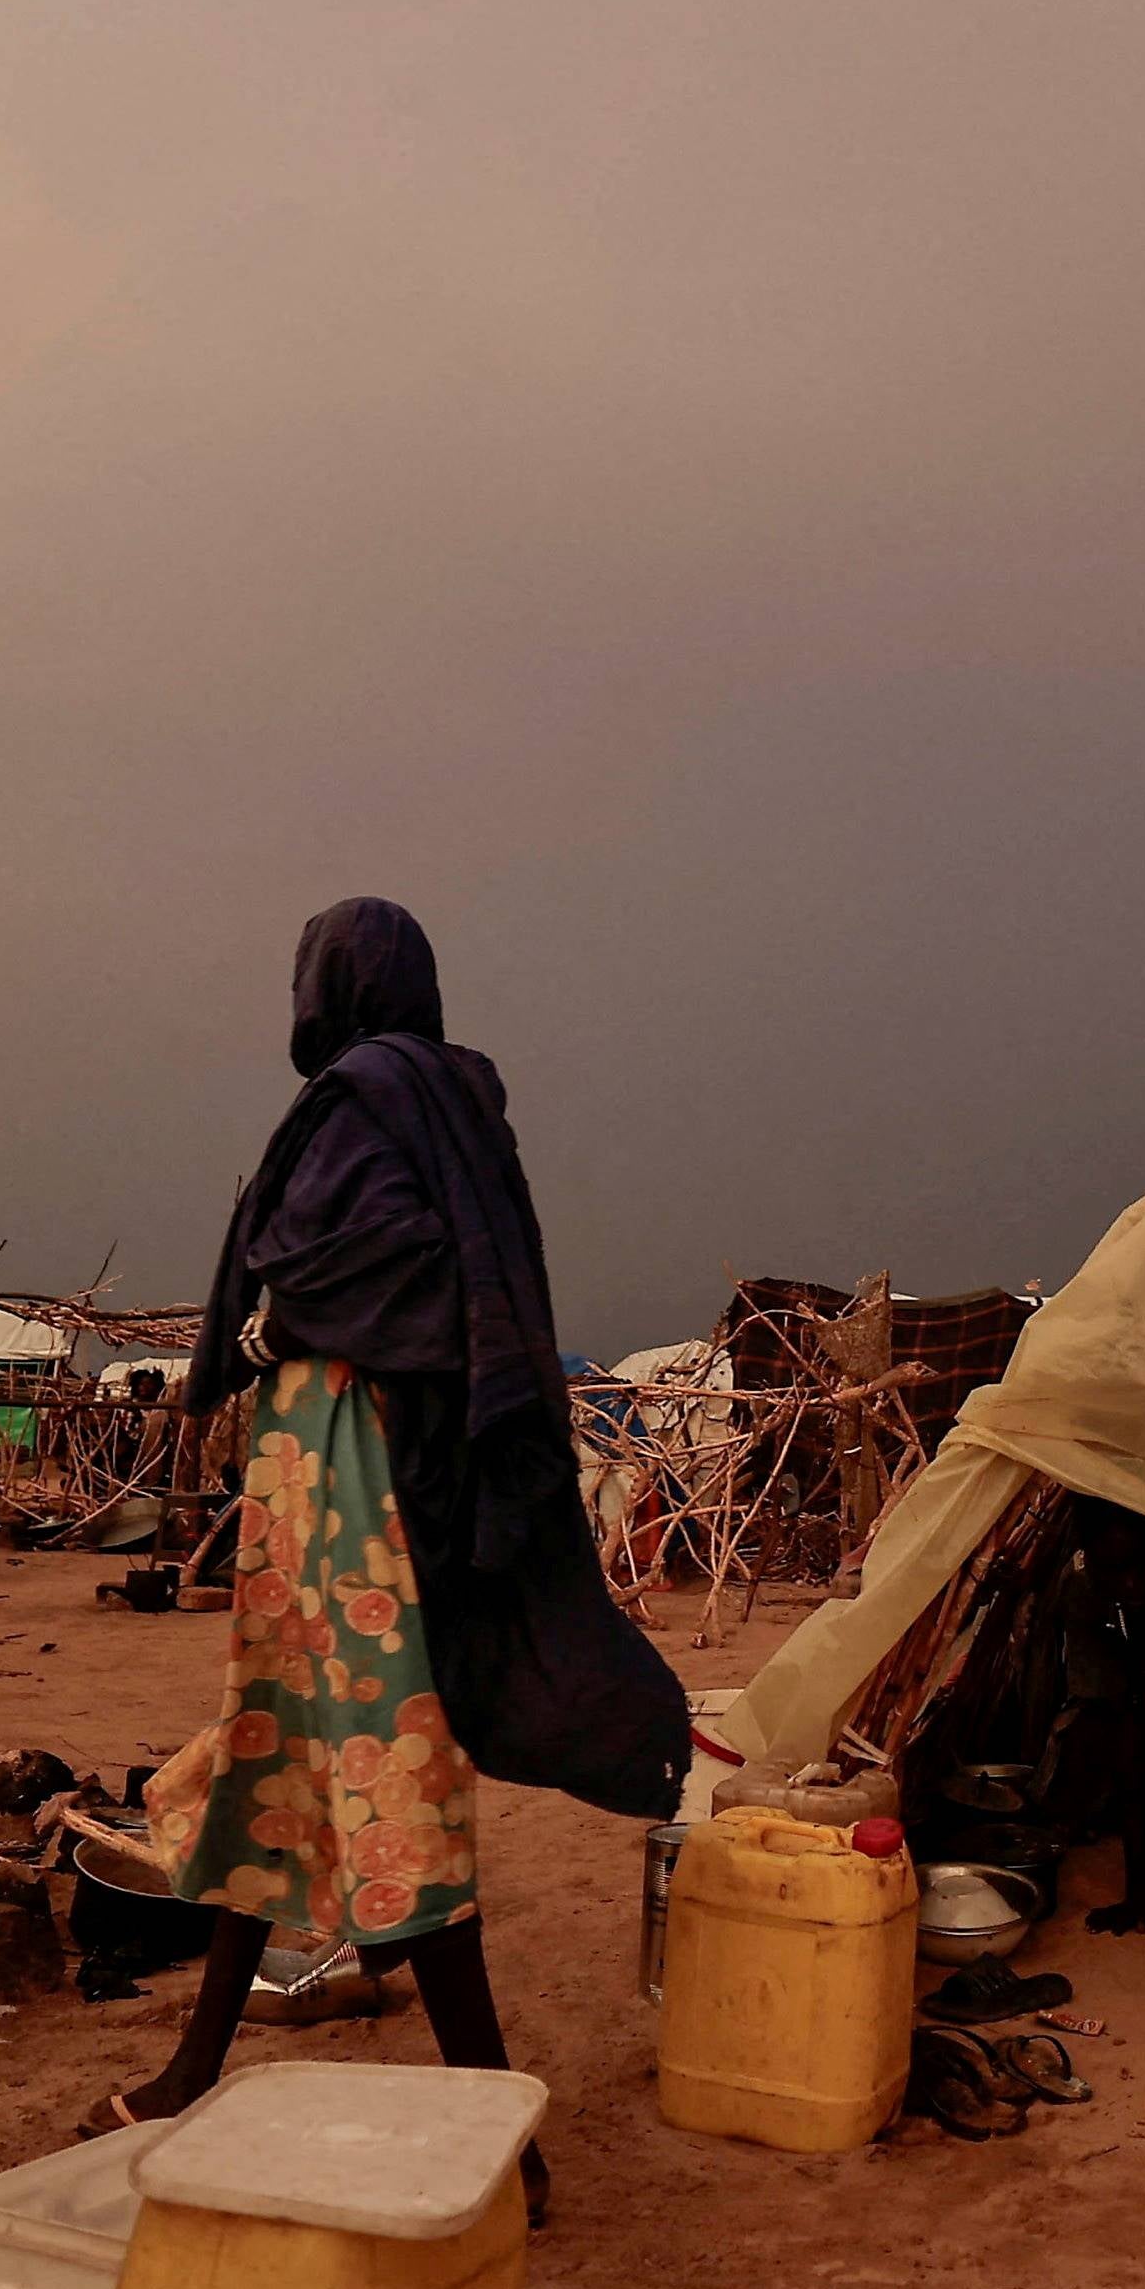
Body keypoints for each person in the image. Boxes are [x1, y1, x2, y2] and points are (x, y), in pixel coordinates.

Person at [94, 900, 688, 2189]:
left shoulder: (371, 1094)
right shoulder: (444, 1102)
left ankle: (497, 2130)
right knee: (280, 1741)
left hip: (347, 1467)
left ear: (335, 981)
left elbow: (366, 1267)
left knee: (379, 1767)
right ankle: (197, 2064)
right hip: (341, 1466)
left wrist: (266, 1330)